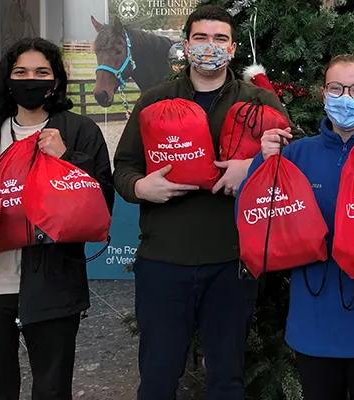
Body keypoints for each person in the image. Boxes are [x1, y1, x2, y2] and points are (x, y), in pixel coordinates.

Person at [111, 5, 293, 400]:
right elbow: (123, 167)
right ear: (186, 44)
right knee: (158, 376)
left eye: (220, 39)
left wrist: (252, 166)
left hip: (231, 261)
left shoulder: (261, 101)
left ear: (232, 49)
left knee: (227, 378)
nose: (210, 46)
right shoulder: (154, 100)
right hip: (163, 260)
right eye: (201, 38)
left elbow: (290, 166)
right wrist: (142, 188)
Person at [0, 37, 114, 400]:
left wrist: (67, 161)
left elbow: (102, 205)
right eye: (21, 72)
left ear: (55, 80)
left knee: (52, 390)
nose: (30, 79)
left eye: (41, 72)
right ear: (8, 77)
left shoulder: (80, 132)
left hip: (51, 286)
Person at [251, 54, 354, 400]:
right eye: (336, 88)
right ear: (323, 94)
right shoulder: (296, 155)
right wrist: (263, 161)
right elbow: (256, 222)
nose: (346, 97)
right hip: (314, 325)